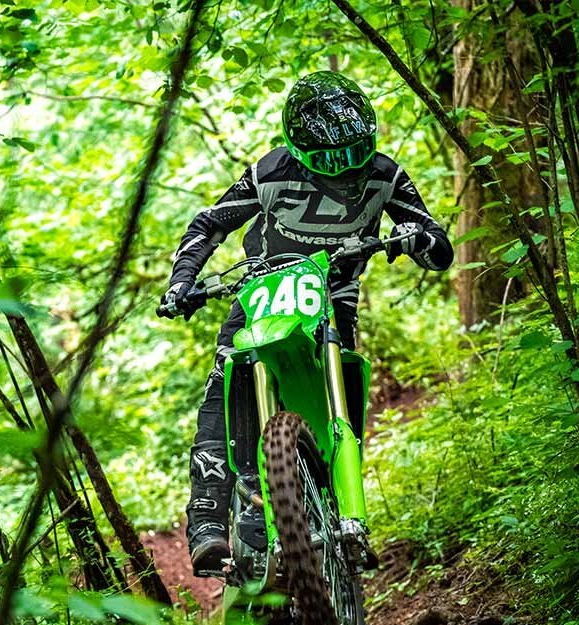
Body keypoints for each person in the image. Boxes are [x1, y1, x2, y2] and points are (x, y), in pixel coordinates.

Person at [158, 71, 454, 574]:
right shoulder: (269, 172)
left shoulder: (385, 175)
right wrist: (181, 281)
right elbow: (210, 223)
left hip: (333, 297)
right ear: (298, 149)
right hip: (262, 293)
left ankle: (339, 510)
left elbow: (438, 245)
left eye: (354, 153)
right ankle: (207, 520)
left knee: (343, 386)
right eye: (329, 158)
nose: (345, 169)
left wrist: (416, 238)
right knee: (224, 383)